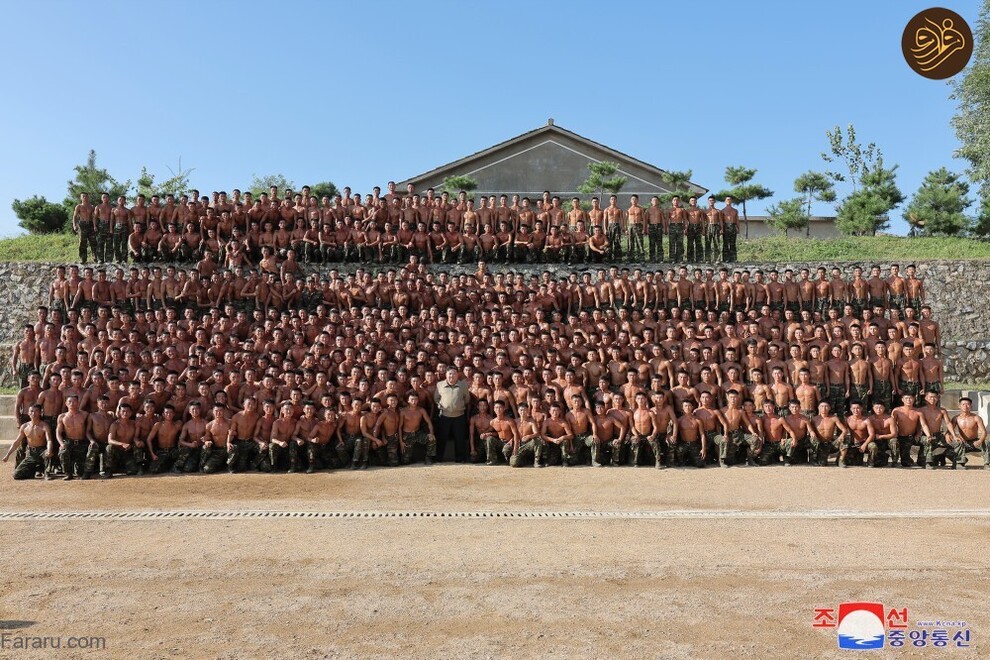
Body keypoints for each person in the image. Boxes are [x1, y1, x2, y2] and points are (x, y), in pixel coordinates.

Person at [5, 405, 54, 480]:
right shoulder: (24, 426)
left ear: (40, 413)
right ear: (28, 413)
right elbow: (17, 442)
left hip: (42, 451)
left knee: (48, 453)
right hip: (31, 453)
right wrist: (8, 455)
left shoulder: (44, 426)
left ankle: (46, 473)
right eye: (31, 411)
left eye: (36, 411)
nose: (33, 413)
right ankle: (32, 470)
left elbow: (49, 440)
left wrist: (49, 450)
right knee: (16, 475)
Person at [434, 367, 470, 463]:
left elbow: (467, 399)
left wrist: (458, 406)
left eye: (454, 374)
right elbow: (436, 398)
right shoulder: (440, 385)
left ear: (457, 375)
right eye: (450, 374)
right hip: (444, 417)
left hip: (459, 416)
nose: (451, 376)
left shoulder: (463, 385)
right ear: (446, 375)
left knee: (460, 438)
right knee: (441, 438)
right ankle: (439, 458)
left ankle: (460, 458)